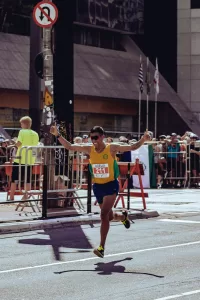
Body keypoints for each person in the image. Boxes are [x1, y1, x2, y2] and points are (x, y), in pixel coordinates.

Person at [50, 125, 150, 258]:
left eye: (96, 137)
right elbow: (70, 147)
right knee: (108, 216)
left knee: (103, 215)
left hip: (111, 185)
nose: (94, 140)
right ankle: (122, 217)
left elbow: (132, 147)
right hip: (98, 186)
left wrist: (143, 139)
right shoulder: (89, 149)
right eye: (92, 138)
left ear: (102, 137)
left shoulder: (111, 148)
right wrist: (57, 135)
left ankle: (101, 247)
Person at [10, 116, 39, 200]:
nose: (21, 125)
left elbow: (19, 144)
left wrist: (14, 142)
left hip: (20, 159)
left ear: (23, 124)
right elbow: (35, 147)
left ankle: (11, 196)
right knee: (27, 179)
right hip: (30, 160)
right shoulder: (35, 134)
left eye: (21, 123)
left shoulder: (22, 132)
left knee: (14, 178)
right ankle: (26, 197)